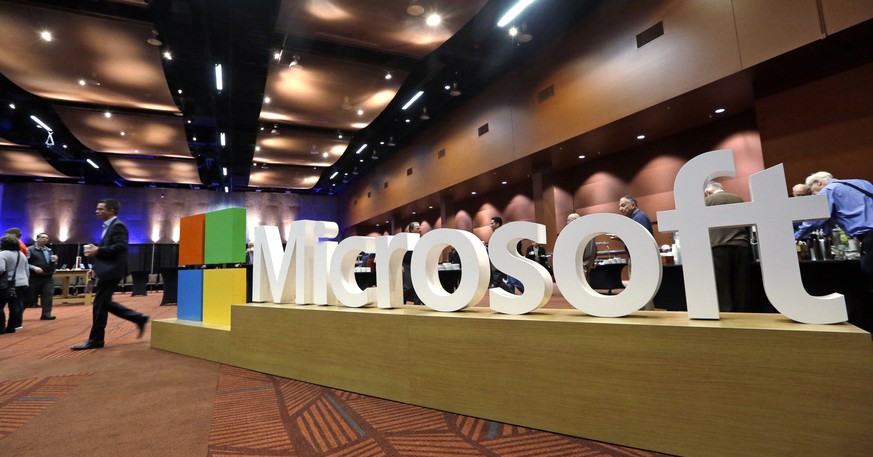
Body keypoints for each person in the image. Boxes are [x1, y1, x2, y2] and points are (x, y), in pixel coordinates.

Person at [71, 199, 148, 350]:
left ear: (111, 210)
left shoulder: (118, 225)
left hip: (114, 271)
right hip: (108, 270)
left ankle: (96, 340)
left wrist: (98, 250)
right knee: (103, 303)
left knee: (100, 304)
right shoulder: (109, 226)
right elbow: (108, 250)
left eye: (100, 209)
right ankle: (138, 318)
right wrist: (95, 266)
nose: (96, 211)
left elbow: (120, 247)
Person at [794, 172, 873, 284]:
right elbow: (830, 220)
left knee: (868, 272)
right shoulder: (862, 183)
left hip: (870, 236)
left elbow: (815, 220)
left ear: (818, 183)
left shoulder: (828, 190)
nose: (814, 196)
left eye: (812, 192)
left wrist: (795, 237)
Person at [704, 181, 752, 312]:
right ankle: (742, 314)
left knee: (722, 286)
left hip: (718, 246)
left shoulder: (707, 202)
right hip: (741, 245)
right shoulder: (738, 199)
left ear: (707, 191)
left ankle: (726, 314)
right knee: (741, 285)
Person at [1, 234, 29, 334]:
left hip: (7, 284)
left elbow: (1, 269)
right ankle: (12, 327)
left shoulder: (3, 254)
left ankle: (1, 327)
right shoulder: (21, 254)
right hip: (22, 282)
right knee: (15, 306)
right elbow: (26, 270)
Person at [27, 232, 58, 320]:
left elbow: (51, 262)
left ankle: (46, 314)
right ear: (37, 239)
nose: (45, 239)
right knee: (29, 297)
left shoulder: (49, 250)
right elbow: (25, 263)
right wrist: (34, 268)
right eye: (42, 237)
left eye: (46, 238)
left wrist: (55, 262)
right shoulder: (30, 249)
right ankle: (18, 316)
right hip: (34, 277)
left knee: (48, 296)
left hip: (48, 277)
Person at [567, 213, 598, 278]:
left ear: (576, 220)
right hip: (584, 261)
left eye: (569, 220)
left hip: (583, 261)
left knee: (582, 281)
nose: (567, 223)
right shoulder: (586, 230)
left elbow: (591, 248)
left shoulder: (583, 232)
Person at [402, 222, 423, 305]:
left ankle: (417, 305)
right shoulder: (405, 240)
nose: (420, 230)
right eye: (417, 228)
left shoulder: (420, 240)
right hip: (406, 265)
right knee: (408, 286)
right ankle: (401, 302)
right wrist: (401, 265)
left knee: (417, 286)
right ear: (411, 230)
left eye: (420, 228)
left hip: (417, 264)